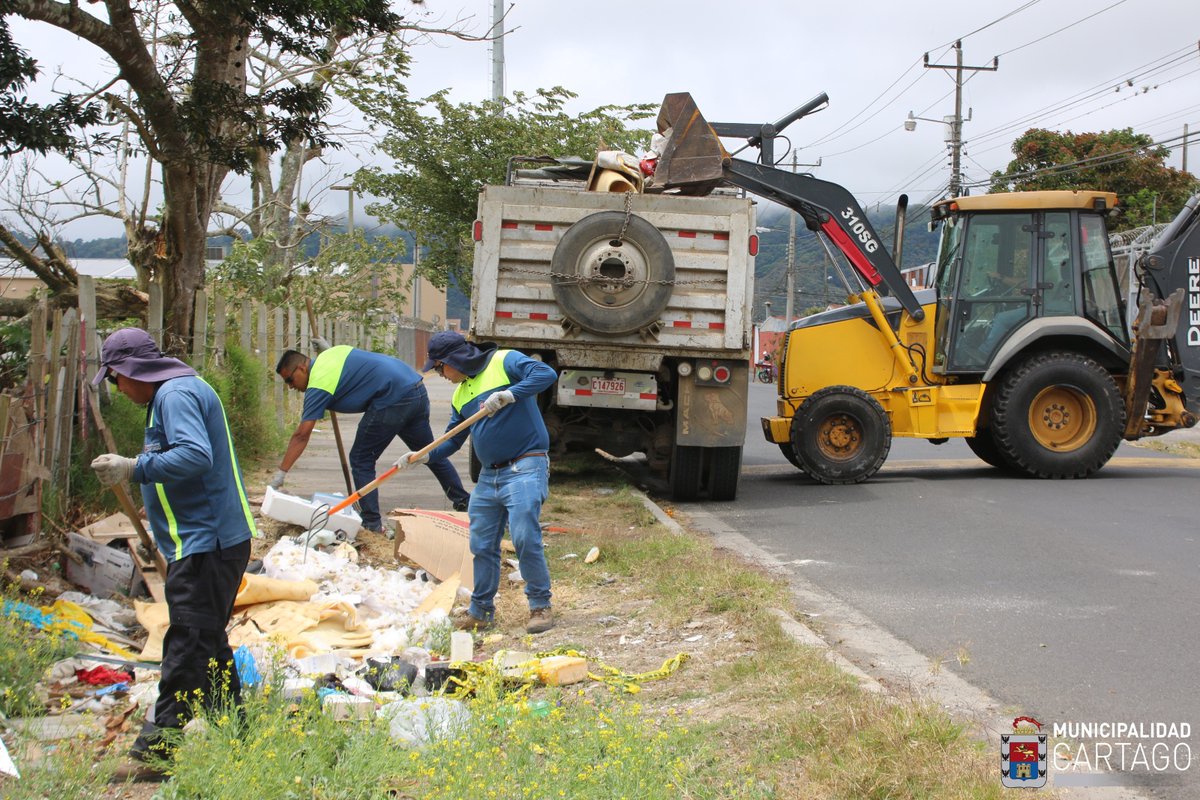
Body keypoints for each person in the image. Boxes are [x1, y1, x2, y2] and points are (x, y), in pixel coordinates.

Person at [88, 328, 254, 781]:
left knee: (185, 644)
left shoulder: (174, 396)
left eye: (115, 380)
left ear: (128, 371)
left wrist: (132, 466)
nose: (118, 390)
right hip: (206, 541)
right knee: (207, 642)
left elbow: (194, 456)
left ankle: (158, 753)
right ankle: (239, 737)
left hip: (208, 543)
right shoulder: (181, 390)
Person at [402, 331, 558, 634]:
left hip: (526, 465)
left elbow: (545, 373)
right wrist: (423, 456)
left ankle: (540, 606)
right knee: (481, 544)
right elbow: (453, 440)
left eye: (439, 368)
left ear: (453, 360)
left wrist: (510, 394)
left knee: (524, 536)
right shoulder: (461, 395)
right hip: (489, 476)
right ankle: (481, 611)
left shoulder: (504, 361)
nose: (440, 375)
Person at [273, 344, 471, 532]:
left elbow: (301, 435)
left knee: (361, 459)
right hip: (414, 387)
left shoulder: (318, 383)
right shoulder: (329, 354)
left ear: (301, 367)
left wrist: (280, 475)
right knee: (428, 453)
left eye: (290, 380)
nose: (290, 386)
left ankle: (372, 524)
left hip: (393, 397)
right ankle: (464, 503)